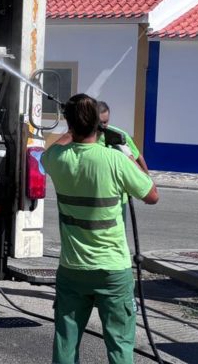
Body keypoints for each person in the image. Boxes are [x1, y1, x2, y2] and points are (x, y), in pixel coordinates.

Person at [42, 93, 159, 364]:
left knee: (66, 342)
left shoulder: (57, 159)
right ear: (99, 123)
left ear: (70, 124)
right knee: (119, 345)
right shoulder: (114, 160)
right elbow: (152, 194)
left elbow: (50, 151)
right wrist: (125, 153)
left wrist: (71, 130)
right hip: (112, 271)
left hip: (72, 269)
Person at [96, 101, 148, 173]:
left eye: (105, 122)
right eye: (99, 122)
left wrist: (148, 178)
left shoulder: (120, 135)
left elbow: (138, 157)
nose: (102, 126)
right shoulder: (83, 137)